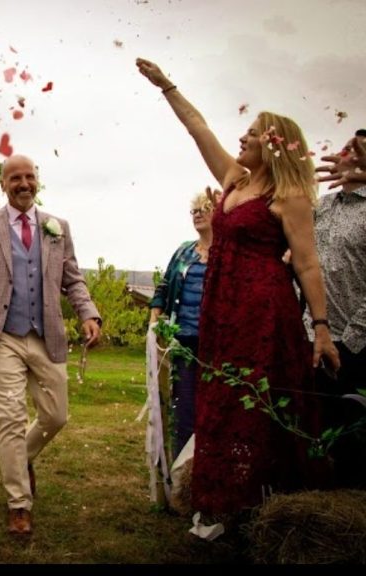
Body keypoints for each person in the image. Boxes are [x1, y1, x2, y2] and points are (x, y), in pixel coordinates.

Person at [136, 58, 340, 518]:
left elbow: (307, 264)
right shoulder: (233, 180)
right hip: (222, 306)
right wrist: (166, 85)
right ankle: (225, 500)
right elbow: (198, 128)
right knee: (223, 398)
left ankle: (267, 503)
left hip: (264, 310)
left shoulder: (289, 198)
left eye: (251, 133)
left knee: (256, 403)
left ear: (273, 145)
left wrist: (322, 327)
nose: (242, 138)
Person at [0, 155, 102, 536]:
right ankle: (19, 504)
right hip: (2, 337)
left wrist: (89, 313)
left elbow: (73, 279)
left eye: (29, 176)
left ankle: (22, 457)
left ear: (37, 181)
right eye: (14, 177)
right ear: (3, 184)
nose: (23, 183)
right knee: (10, 417)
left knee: (56, 416)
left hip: (47, 333)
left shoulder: (57, 227)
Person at [308, 129, 366, 489]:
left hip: (354, 342)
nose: (345, 153)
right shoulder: (323, 205)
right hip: (311, 333)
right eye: (345, 146)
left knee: (351, 430)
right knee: (313, 423)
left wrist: (352, 339)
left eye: (356, 148)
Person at [149, 189, 214, 460]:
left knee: (213, 413)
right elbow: (163, 287)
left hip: (216, 346)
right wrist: (154, 323)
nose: (197, 213)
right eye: (194, 210)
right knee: (184, 410)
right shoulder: (184, 251)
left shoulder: (228, 252)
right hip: (183, 343)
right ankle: (180, 476)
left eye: (205, 208)